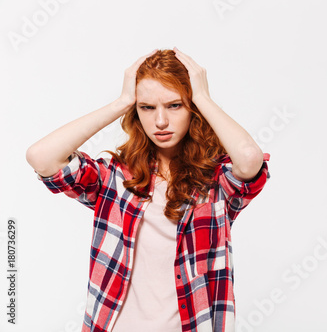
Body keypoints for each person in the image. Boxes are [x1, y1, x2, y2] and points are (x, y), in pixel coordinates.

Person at [26, 48, 270, 332]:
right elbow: (41, 157)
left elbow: (250, 159)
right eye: (147, 107)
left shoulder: (216, 182)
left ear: (193, 108)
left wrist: (203, 97)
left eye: (175, 105)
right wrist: (121, 102)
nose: (161, 121)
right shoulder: (115, 179)